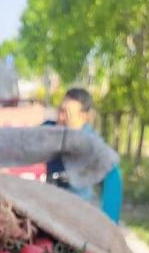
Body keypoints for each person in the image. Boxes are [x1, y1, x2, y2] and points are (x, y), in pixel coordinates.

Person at [45, 87, 123, 223]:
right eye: (60, 111)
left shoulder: (92, 146)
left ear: (84, 117)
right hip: (48, 211)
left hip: (76, 218)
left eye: (67, 114)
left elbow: (113, 179)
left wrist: (108, 226)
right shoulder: (49, 131)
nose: (60, 118)